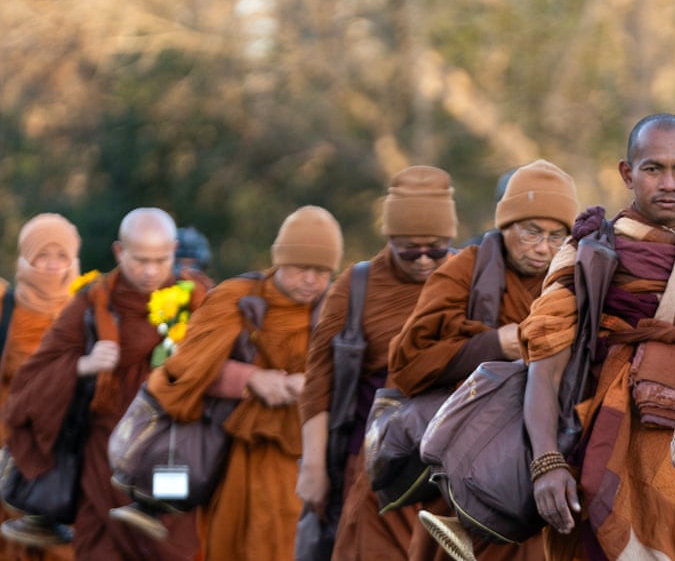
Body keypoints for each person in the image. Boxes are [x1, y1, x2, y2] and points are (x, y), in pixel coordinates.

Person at [520, 114, 675, 559]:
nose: (669, 183)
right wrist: (546, 463)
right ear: (627, 173)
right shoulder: (591, 254)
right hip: (606, 439)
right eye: (653, 169)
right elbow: (545, 368)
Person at [399, 159, 579, 561]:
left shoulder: (574, 279)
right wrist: (494, 345)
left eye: (556, 237)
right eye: (531, 232)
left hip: (546, 455)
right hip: (470, 458)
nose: (542, 248)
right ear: (505, 225)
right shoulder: (463, 270)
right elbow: (407, 364)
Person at [140, 205, 342, 560]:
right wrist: (249, 379)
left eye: (322, 271)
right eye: (300, 268)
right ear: (279, 261)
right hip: (233, 453)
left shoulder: (338, 310)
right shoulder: (239, 298)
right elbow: (182, 371)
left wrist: (313, 384)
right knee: (231, 543)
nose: (311, 279)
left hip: (306, 458)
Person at [4, 208, 206, 560]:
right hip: (103, 461)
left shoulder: (197, 300)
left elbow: (229, 363)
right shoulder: (91, 303)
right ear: (118, 251)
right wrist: (83, 364)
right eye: (140, 259)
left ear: (174, 249)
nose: (150, 271)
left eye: (161, 259)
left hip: (171, 461)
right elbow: (28, 385)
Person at [296, 167, 458, 559]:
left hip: (448, 465)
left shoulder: (466, 277)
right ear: (388, 238)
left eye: (435, 248)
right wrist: (314, 467)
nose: (423, 260)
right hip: (371, 463)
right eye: (409, 249)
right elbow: (318, 382)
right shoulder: (357, 286)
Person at [0, 214, 82, 561]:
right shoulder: (6, 305)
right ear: (26, 257)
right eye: (41, 255)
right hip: (8, 448)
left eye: (60, 255)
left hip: (63, 452)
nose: (51, 265)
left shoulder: (88, 308)